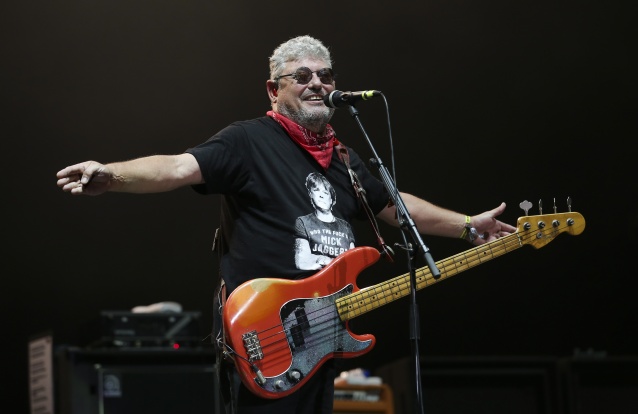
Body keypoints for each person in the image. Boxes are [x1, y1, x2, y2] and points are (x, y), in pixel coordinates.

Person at [56, 35, 517, 414]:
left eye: (326, 75)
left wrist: (467, 225)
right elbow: (177, 167)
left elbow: (396, 209)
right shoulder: (248, 141)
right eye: (302, 75)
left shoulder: (344, 159)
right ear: (273, 91)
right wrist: (112, 175)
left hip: (323, 337)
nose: (317, 83)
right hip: (266, 334)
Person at [294, 172, 355, 270]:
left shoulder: (345, 226)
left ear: (332, 200)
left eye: (325, 193)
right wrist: (325, 260)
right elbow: (302, 261)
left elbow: (353, 262)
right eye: (316, 190)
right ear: (311, 194)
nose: (321, 196)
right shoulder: (303, 222)